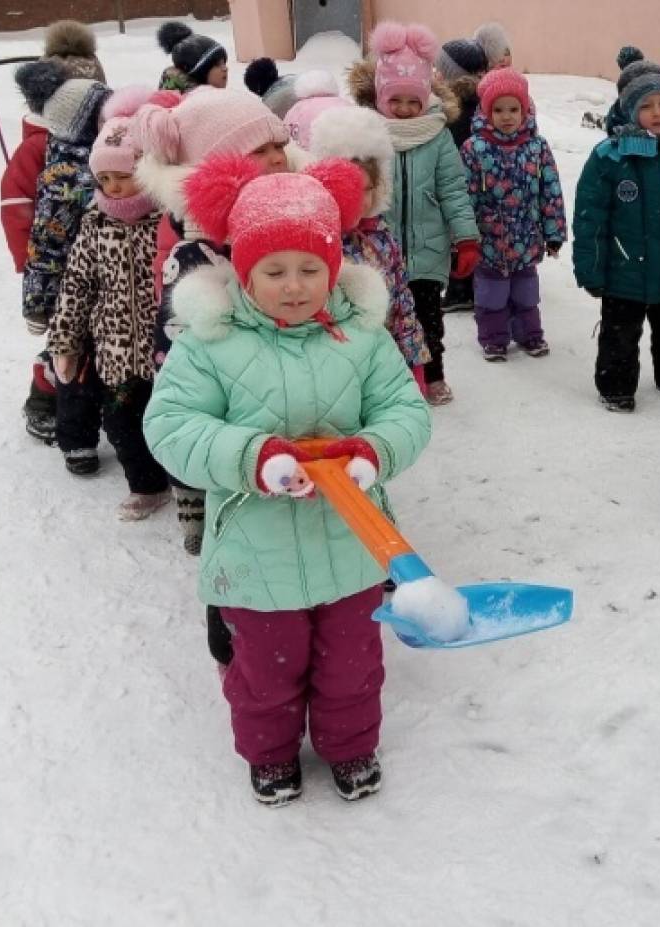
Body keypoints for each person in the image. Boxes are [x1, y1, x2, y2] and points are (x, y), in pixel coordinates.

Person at [143, 154, 431, 805]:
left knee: (351, 663)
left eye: (310, 269)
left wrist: (373, 453)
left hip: (352, 544)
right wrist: (251, 457)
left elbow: (403, 411)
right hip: (255, 551)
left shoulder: (359, 336)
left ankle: (350, 744)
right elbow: (170, 427)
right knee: (265, 667)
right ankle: (270, 753)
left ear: (333, 268)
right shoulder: (207, 342)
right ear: (243, 269)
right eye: (274, 271)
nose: (294, 285)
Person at [133, 86, 294, 556]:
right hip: (220, 364)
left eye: (279, 146)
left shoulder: (284, 203)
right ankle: (203, 510)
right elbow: (184, 326)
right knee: (226, 451)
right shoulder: (196, 237)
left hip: (278, 369)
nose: (277, 159)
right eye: (258, 151)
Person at [47, 96, 170, 519]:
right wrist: (64, 341)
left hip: (164, 352)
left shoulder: (167, 221)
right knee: (120, 423)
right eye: (106, 178)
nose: (115, 187)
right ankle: (146, 485)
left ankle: (182, 482)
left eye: (125, 175)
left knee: (168, 420)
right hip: (114, 352)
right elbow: (77, 284)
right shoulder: (95, 223)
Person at [347, 21, 479, 405]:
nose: (405, 110)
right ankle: (386, 382)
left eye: (413, 102)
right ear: (380, 98)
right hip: (377, 252)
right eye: (395, 101)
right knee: (379, 320)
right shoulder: (367, 133)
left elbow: (453, 188)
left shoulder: (437, 135)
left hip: (427, 249)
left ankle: (433, 373)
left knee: (426, 320)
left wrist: (465, 237)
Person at [573, 47, 660, 412]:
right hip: (622, 272)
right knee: (620, 336)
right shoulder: (609, 157)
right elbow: (590, 218)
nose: (656, 113)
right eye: (645, 106)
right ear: (628, 109)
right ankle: (616, 387)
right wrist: (590, 267)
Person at [14, 60, 112, 473]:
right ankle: (72, 434)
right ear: (84, 121)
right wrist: (39, 299)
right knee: (73, 358)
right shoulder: (65, 170)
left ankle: (109, 419)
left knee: (104, 351)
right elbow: (47, 242)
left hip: (109, 275)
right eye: (103, 112)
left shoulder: (109, 154)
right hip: (72, 286)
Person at [310, 105, 431, 390]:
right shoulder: (317, 241)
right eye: (351, 189)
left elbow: (401, 298)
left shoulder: (380, 235)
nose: (362, 200)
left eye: (368, 188)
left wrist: (412, 359)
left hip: (387, 357)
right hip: (341, 368)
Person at [460, 68, 566, 361]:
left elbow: (551, 191)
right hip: (489, 239)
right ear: (486, 111)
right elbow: (463, 195)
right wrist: (464, 235)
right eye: (498, 109)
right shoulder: (474, 149)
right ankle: (494, 338)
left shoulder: (537, 147)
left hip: (527, 236)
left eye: (513, 109)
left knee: (526, 292)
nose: (507, 116)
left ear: (525, 110)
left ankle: (529, 334)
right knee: (491, 295)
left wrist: (554, 232)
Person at [436, 37, 489, 314]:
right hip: (484, 182)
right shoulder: (483, 99)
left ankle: (460, 290)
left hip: (461, 181)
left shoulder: (455, 106)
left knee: (461, 234)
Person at [156, 21, 228, 92]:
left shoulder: (205, 98)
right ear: (199, 73)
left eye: (224, 63)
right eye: (217, 64)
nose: (225, 69)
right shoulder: (183, 102)